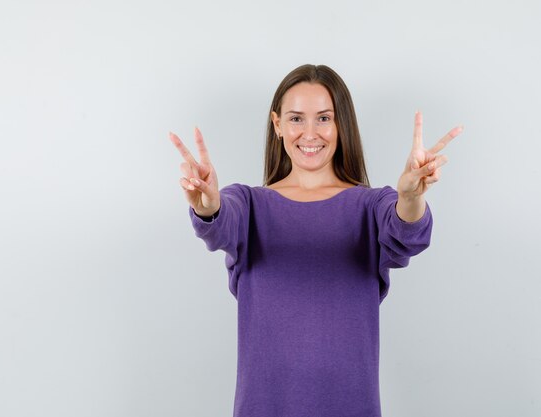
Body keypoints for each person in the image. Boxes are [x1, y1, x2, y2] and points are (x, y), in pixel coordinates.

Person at [168, 64, 463, 417]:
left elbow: (406, 232)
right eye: (296, 119)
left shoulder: (371, 204)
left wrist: (412, 197)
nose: (310, 133)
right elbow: (219, 224)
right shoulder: (248, 204)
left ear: (342, 125)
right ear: (277, 124)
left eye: (324, 118)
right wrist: (209, 207)